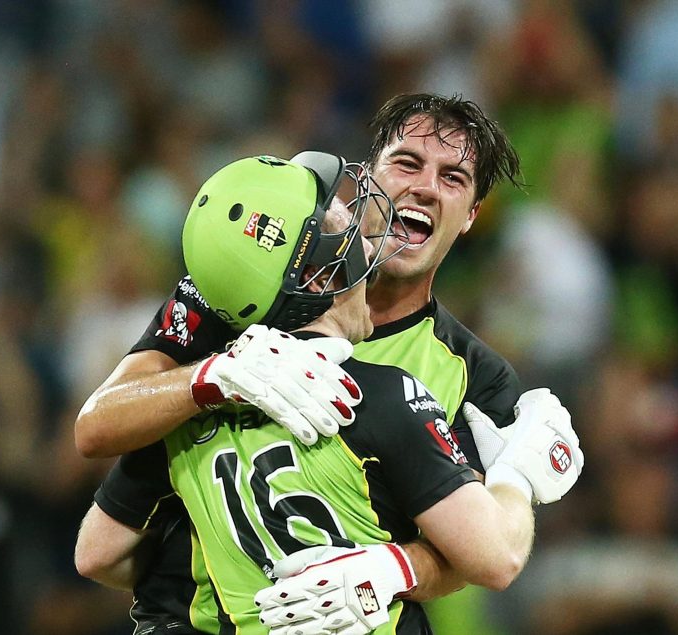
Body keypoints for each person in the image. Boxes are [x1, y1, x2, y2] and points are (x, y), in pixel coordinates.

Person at [74, 94, 578, 633]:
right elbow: (96, 426)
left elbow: (469, 551)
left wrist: (392, 569)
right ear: (367, 181)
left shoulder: (477, 377)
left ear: (471, 216)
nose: (427, 187)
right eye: (407, 163)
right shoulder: (239, 293)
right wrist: (210, 376)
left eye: (453, 178)